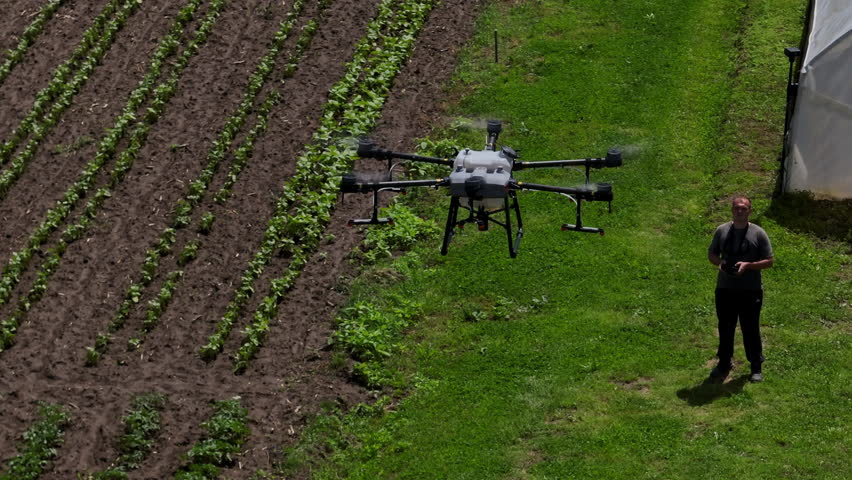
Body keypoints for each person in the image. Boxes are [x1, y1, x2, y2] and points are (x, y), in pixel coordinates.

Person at [707, 195, 774, 383]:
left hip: (750, 289)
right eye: (737, 207)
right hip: (725, 288)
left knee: (750, 328)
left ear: (750, 211)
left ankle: (756, 366)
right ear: (732, 210)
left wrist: (748, 265)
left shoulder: (758, 233)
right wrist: (720, 263)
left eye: (744, 208)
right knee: (725, 326)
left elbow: (769, 262)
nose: (740, 211)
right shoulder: (722, 231)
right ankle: (724, 363)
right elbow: (711, 254)